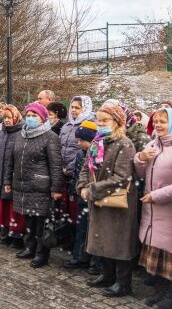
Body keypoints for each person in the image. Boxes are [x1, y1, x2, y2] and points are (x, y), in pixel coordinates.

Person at [77, 105, 138, 297]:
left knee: (119, 242)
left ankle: (123, 282)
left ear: (117, 122)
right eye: (99, 120)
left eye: (105, 120)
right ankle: (107, 274)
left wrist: (93, 189)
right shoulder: (97, 142)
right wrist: (82, 186)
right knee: (102, 238)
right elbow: (86, 168)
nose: (100, 124)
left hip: (118, 202)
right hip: (99, 199)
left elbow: (121, 177)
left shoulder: (125, 144)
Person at [6, 102, 63, 268]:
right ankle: (29, 247)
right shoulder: (20, 135)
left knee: (40, 222)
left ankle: (41, 254)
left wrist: (56, 188)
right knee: (28, 220)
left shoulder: (50, 137)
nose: (30, 119)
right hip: (22, 186)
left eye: (34, 116)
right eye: (28, 115)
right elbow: (12, 160)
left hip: (40, 186)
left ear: (42, 118)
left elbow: (56, 165)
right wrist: (8, 181)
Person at [134, 108, 172, 308]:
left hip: (166, 210)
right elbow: (141, 174)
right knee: (158, 256)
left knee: (169, 255)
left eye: (163, 122)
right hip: (152, 211)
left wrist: (156, 196)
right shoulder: (152, 144)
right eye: (156, 121)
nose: (157, 125)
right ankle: (160, 292)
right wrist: (140, 158)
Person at [63, 120, 99, 270]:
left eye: (82, 140)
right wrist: (74, 190)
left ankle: (96, 262)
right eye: (77, 140)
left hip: (95, 197)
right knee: (81, 229)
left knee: (95, 231)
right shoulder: (80, 154)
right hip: (81, 196)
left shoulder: (98, 153)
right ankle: (79, 257)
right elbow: (77, 175)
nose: (79, 144)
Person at [0, 104, 26, 248]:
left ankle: (16, 235)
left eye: (9, 117)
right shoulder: (1, 133)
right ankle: (4, 231)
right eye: (4, 118)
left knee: (14, 208)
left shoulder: (21, 133)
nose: (6, 120)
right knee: (2, 207)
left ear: (16, 117)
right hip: (0, 175)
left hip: (13, 177)